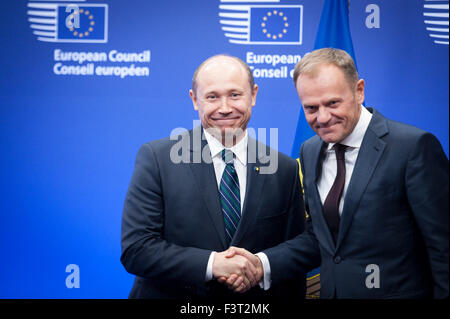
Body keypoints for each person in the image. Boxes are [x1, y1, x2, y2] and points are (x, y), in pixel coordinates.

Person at [224, 48, 449, 298]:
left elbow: (443, 246)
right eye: (311, 108)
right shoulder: (309, 151)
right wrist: (260, 264)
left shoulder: (413, 147)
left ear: (359, 90)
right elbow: (320, 239)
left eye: (333, 103)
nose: (323, 117)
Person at [120, 54, 306, 299]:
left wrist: (260, 267)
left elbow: (295, 254)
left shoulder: (284, 169)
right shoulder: (157, 158)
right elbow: (137, 250)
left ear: (254, 95)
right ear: (194, 100)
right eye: (212, 97)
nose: (225, 107)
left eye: (235, 94)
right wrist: (213, 264)